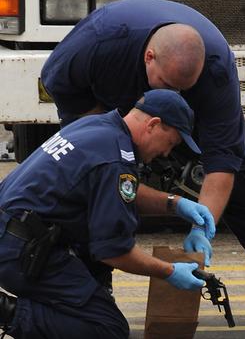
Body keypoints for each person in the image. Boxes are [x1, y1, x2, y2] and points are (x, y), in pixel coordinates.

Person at [41, 0, 245, 322]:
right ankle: (94, 282)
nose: (176, 97)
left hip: (181, 89)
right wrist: (107, 142)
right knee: (94, 182)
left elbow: (223, 163)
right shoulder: (98, 45)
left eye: (185, 89)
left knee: (242, 184)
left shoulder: (215, 72)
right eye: (169, 86)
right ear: (149, 58)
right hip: (104, 103)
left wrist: (204, 223)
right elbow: (59, 84)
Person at [0, 89, 216, 338]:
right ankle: (8, 313)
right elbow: (114, 251)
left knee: (92, 290)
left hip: (15, 234)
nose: (166, 153)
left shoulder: (100, 126)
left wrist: (176, 204)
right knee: (107, 329)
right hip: (21, 251)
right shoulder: (115, 161)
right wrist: (169, 271)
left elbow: (121, 189)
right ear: (153, 125)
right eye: (171, 142)